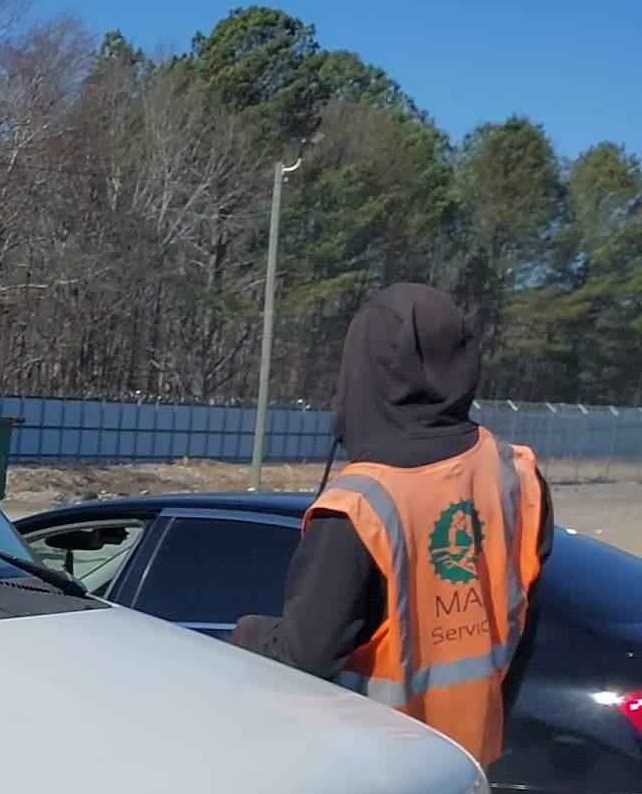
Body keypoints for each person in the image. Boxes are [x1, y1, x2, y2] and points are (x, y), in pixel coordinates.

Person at [231, 283, 549, 765]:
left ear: (363, 372)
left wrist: (248, 634)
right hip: (468, 759)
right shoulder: (517, 473)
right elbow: (526, 619)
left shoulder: (359, 505)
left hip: (378, 771)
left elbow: (305, 656)